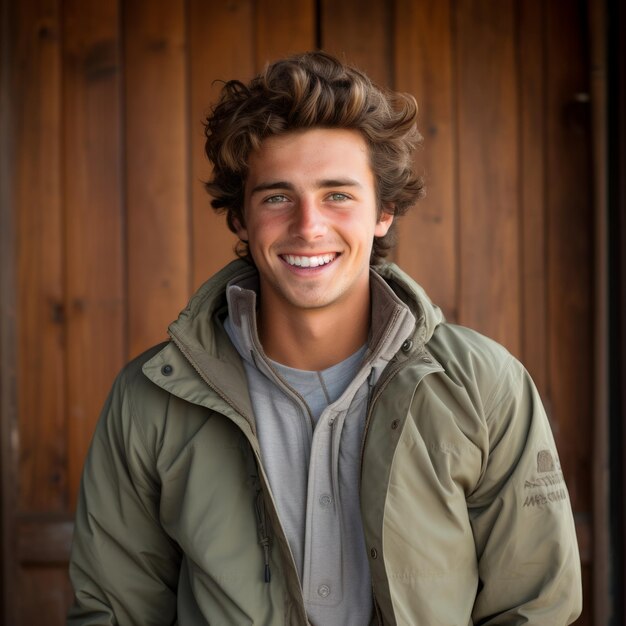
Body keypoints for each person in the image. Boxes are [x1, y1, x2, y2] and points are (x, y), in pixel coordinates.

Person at [67, 51, 582, 625]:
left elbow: (535, 606)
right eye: (277, 197)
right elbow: (112, 613)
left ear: (383, 211)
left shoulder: (485, 386)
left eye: (338, 194)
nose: (309, 225)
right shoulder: (152, 397)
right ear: (240, 217)